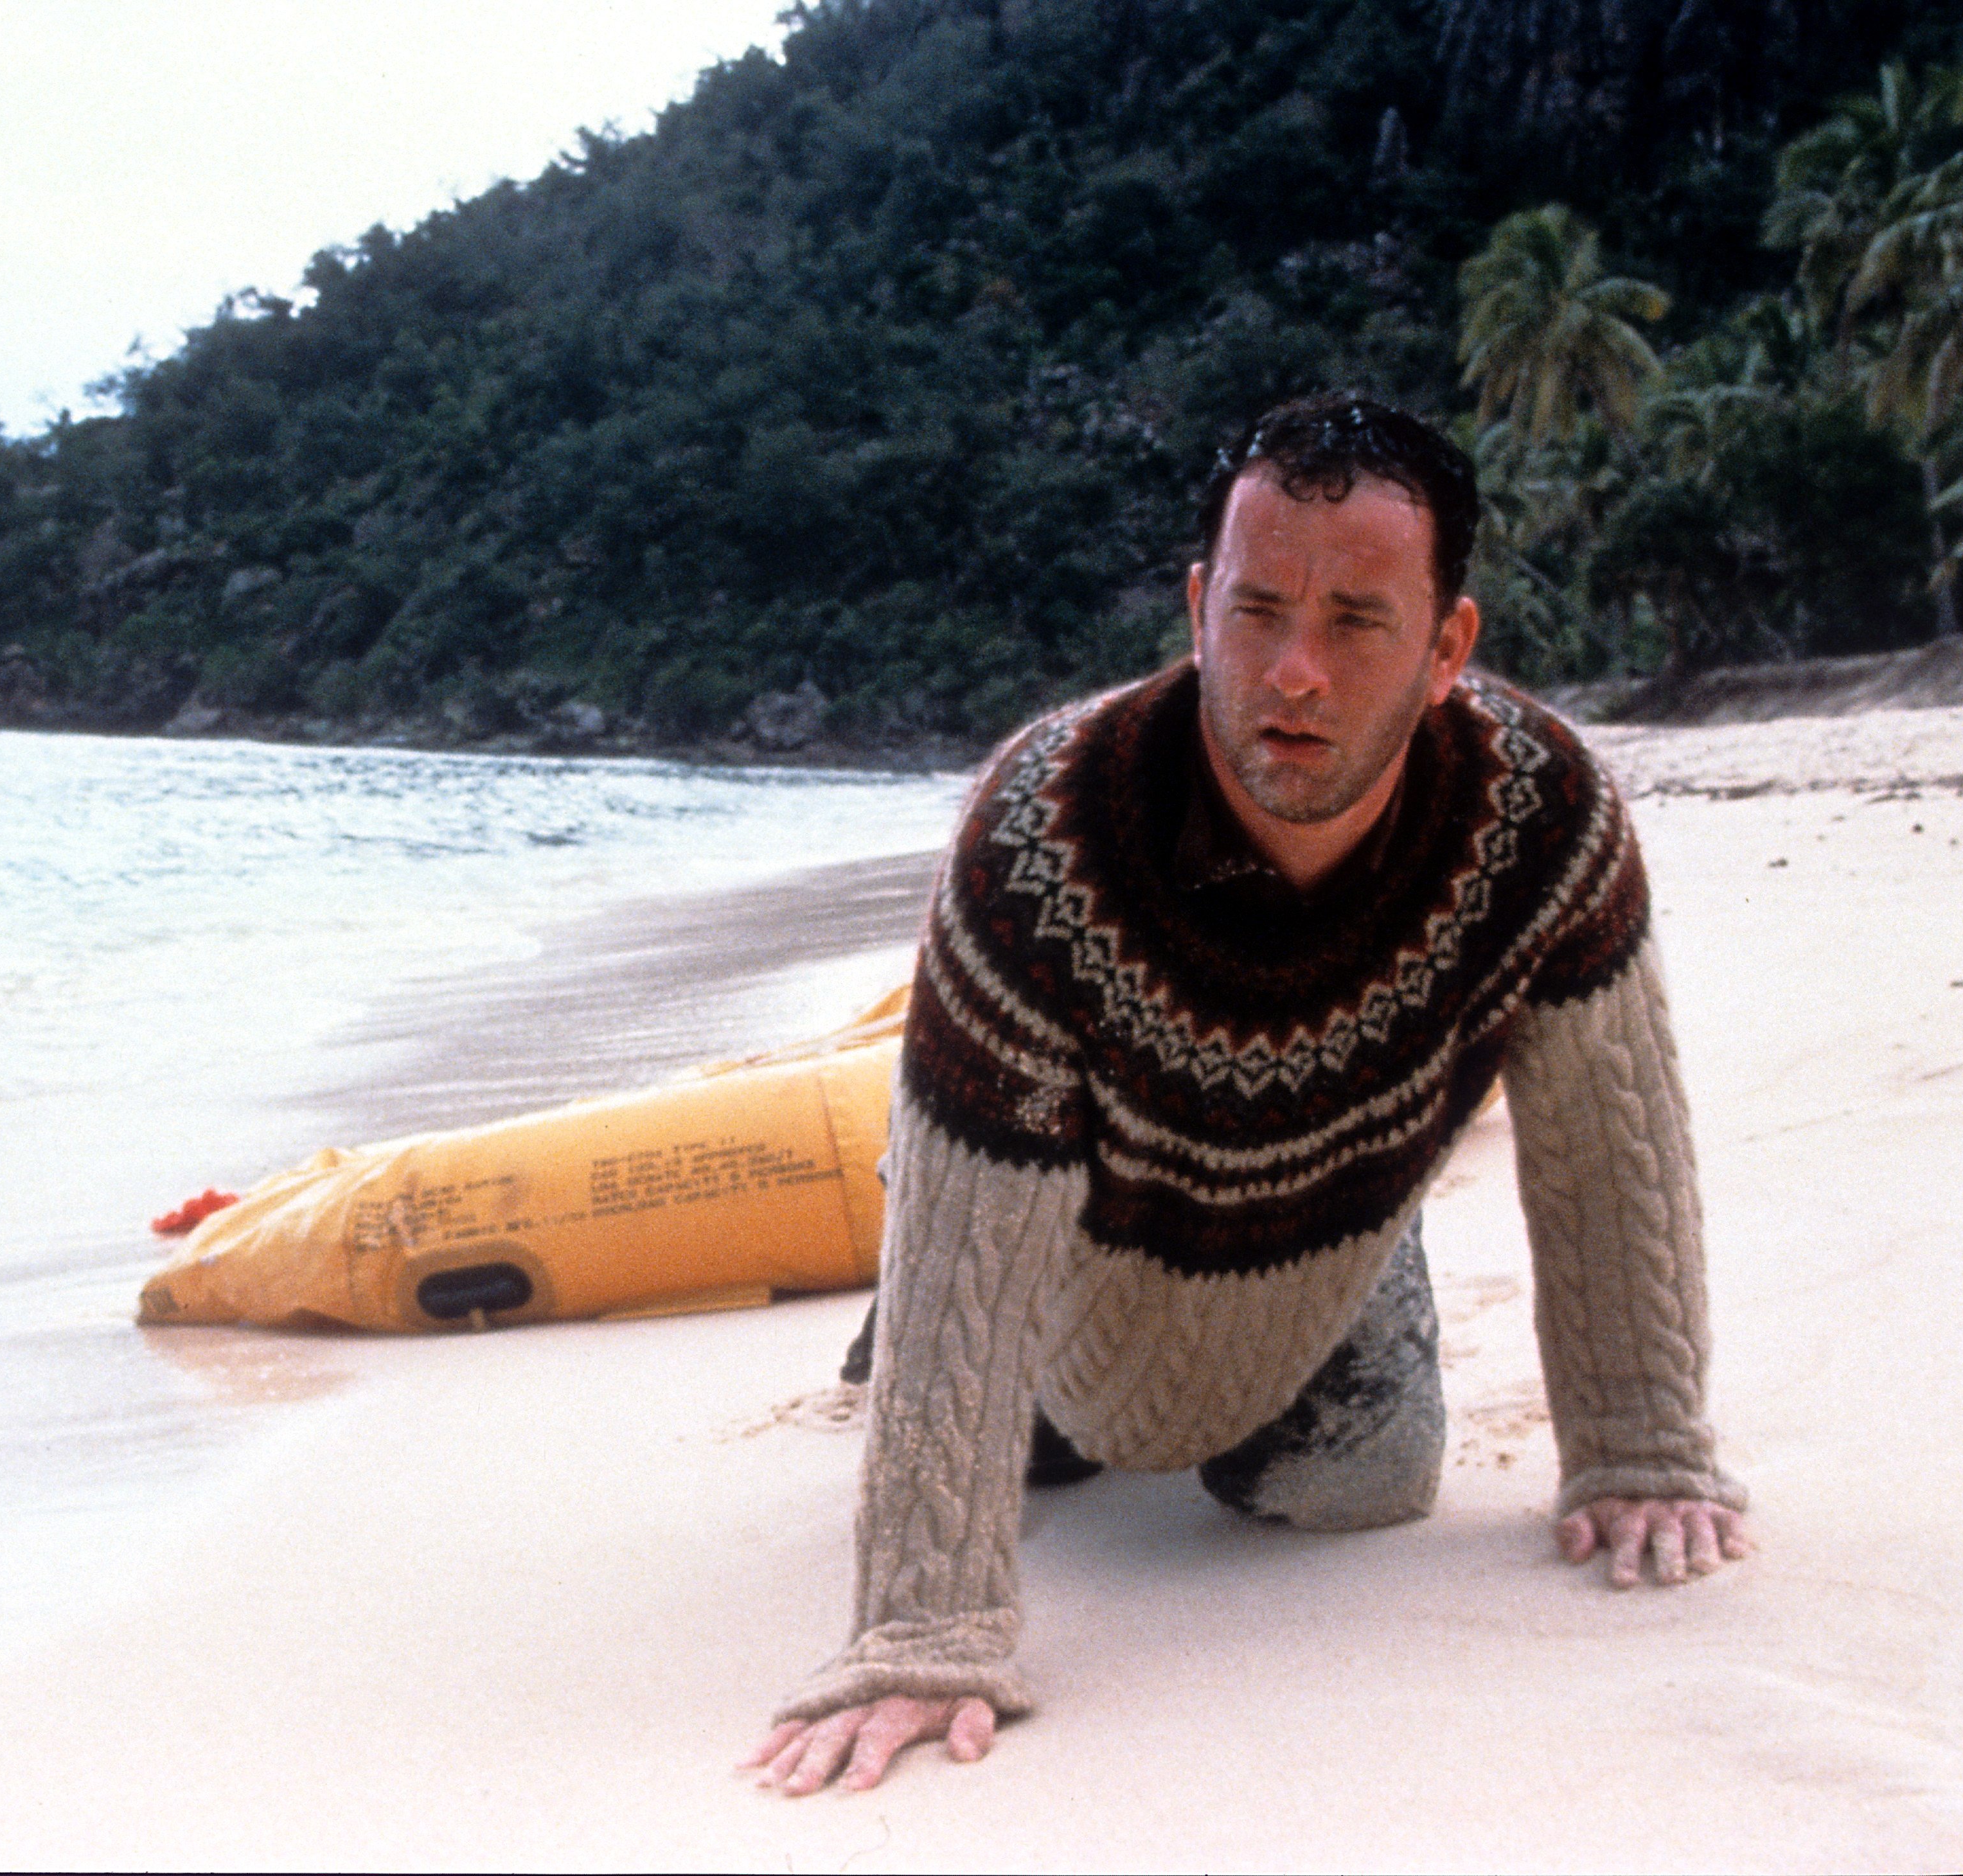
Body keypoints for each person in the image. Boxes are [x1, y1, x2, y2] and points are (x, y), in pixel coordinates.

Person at [750, 394, 1750, 1798]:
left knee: (1353, 1491)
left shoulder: (1545, 817)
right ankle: (892, 1271)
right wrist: (927, 1626)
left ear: (1447, 645)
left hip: (1333, 1220)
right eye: (1257, 608)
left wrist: (1640, 1444)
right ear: (1197, 602)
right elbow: (979, 1242)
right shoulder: (1044, 827)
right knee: (1057, 1437)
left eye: (1355, 622)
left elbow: (1608, 1142)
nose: (1293, 671)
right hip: (1070, 1241)